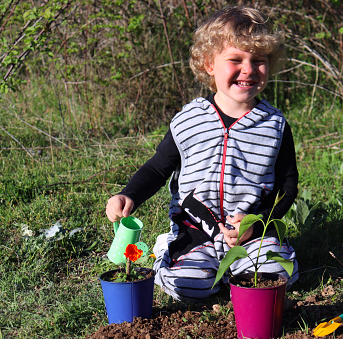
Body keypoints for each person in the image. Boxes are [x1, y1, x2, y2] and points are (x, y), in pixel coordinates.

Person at [105, 5, 299, 302]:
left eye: (258, 61)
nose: (248, 69)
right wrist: (129, 194)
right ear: (210, 64)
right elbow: (158, 168)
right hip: (196, 228)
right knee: (190, 287)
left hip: (251, 231)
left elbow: (287, 187)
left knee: (277, 276)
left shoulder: (275, 125)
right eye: (236, 60)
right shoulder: (189, 120)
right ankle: (165, 254)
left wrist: (255, 223)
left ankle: (237, 265)